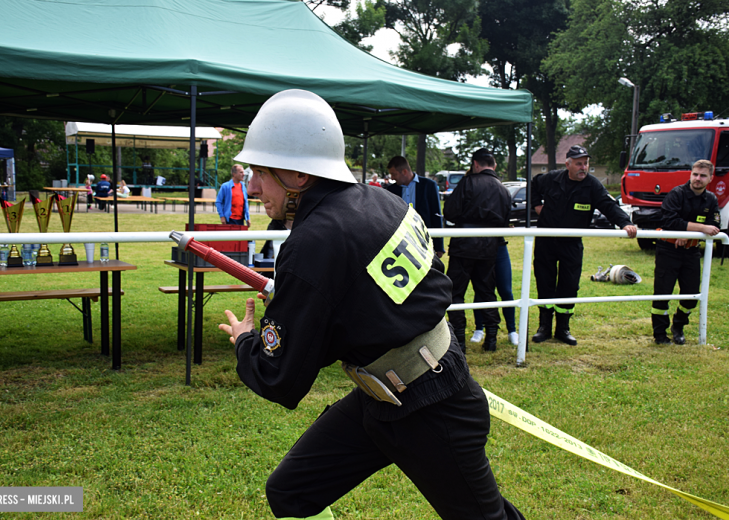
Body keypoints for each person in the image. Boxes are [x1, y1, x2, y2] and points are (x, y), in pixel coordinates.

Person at [218, 89, 524, 520]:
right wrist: (307, 304)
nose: (252, 187)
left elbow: (279, 376)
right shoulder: (383, 202)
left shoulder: (313, 242)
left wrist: (246, 340)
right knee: (291, 492)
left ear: (298, 175)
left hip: (433, 409)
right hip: (385, 394)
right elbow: (426, 285)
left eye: (260, 173)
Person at [530, 145, 637, 346]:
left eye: (586, 163)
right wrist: (537, 205)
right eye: (579, 163)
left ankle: (563, 329)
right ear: (568, 164)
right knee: (545, 283)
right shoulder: (551, 178)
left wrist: (625, 222)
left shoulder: (592, 185)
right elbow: (533, 184)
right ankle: (544, 327)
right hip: (546, 240)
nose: (583, 167)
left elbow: (608, 205)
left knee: (569, 285)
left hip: (571, 243)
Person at [443, 149, 511, 352]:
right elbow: (505, 221)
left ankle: (459, 342)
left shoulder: (468, 182)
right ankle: (491, 339)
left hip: (464, 244)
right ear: (494, 165)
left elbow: (451, 212)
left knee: (455, 293)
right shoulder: (504, 190)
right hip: (489, 246)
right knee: (486, 291)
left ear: (475, 164)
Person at [651, 159, 720, 344]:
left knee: (691, 295)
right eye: (695, 174)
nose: (698, 179)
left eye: (703, 176)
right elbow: (669, 222)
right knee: (662, 294)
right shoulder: (677, 194)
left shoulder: (711, 199)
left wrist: (688, 232)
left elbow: (714, 227)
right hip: (669, 249)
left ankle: (678, 325)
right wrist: (700, 228)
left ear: (710, 178)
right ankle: (659, 334)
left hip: (691, 252)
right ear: (691, 174)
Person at [385, 156, 445, 257]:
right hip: (399, 241)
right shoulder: (391, 190)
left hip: (424, 241)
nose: (392, 178)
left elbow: (436, 215)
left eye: (394, 174)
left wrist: (439, 246)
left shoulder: (429, 185)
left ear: (404, 172)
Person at [471, 240, 519, 346]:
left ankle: (512, 330)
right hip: (480, 247)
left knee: (506, 291)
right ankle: (479, 328)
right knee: (481, 290)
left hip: (499, 246)